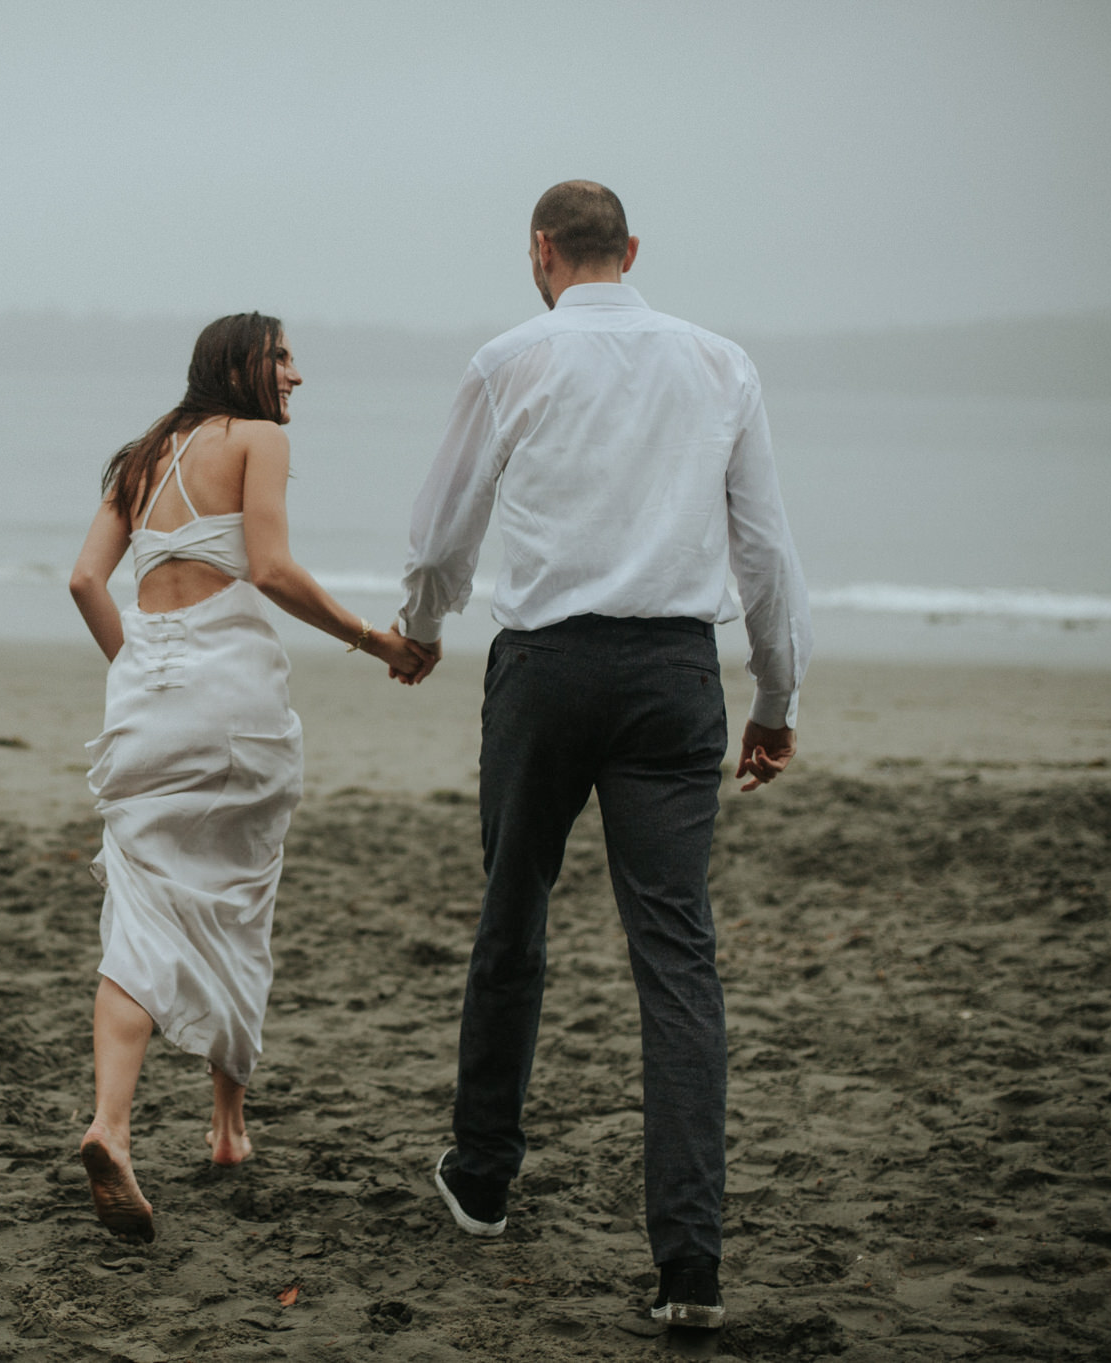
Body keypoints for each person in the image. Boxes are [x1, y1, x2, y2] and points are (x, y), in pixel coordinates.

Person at [394, 181, 811, 1330]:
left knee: (512, 910)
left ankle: (481, 1174)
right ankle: (688, 1267)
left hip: (544, 671)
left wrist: (423, 628)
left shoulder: (507, 358)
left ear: (540, 252)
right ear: (630, 251)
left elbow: (439, 531)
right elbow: (765, 548)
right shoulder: (720, 364)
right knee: (675, 957)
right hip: (675, 676)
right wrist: (774, 694)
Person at [67, 312, 426, 1243]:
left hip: (143, 705)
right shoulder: (257, 438)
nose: (297, 376)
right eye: (282, 358)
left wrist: (134, 666)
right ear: (241, 366)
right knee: (238, 899)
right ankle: (227, 1127)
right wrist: (374, 639)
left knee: (143, 909)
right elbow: (268, 568)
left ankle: (112, 1124)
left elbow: (83, 582)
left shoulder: (138, 457)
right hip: (233, 706)